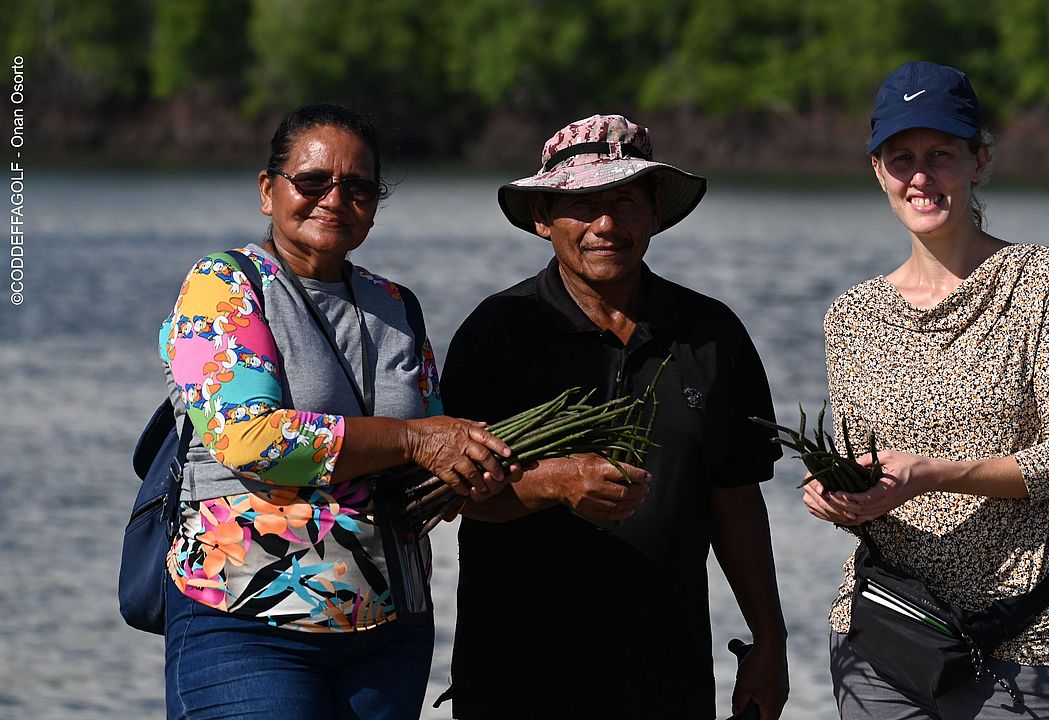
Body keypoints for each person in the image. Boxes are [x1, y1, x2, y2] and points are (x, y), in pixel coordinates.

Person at [158, 102, 518, 720]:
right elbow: (252, 440)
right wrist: (412, 441)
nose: (334, 198)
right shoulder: (224, 286)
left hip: (390, 632)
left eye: (357, 187)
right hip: (247, 620)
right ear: (268, 191)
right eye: (312, 181)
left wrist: (485, 470)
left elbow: (436, 450)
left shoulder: (396, 304)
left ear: (375, 205)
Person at [439, 114, 790, 720]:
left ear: (655, 213)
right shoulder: (498, 332)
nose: (606, 225)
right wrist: (556, 482)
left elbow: (735, 500)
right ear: (543, 218)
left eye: (625, 201)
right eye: (582, 204)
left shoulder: (711, 334)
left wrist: (770, 641)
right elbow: (455, 494)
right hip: (515, 676)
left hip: (665, 676)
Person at [804, 61, 1049, 718]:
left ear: (979, 161)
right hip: (883, 634)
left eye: (941, 154)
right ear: (877, 171)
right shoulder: (852, 317)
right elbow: (866, 477)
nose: (921, 176)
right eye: (901, 157)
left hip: (1017, 639)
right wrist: (834, 494)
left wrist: (933, 474)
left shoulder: (1040, 282)